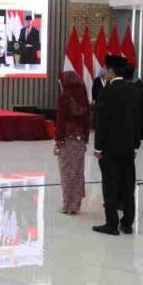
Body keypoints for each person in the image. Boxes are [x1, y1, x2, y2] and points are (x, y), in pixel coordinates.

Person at [92, 54, 143, 236]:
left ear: (111, 71)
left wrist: (98, 147)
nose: (103, 73)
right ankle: (127, 223)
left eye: (105, 69)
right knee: (128, 185)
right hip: (129, 147)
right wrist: (136, 144)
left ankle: (111, 223)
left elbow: (101, 122)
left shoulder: (106, 92)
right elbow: (139, 120)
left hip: (110, 148)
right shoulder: (134, 91)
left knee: (110, 185)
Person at [54, 70, 91, 215]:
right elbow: (87, 120)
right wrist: (86, 138)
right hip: (80, 140)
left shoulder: (64, 97)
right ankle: (76, 204)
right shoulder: (83, 97)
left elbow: (60, 121)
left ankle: (68, 205)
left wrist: (58, 141)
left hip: (67, 140)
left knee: (66, 173)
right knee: (77, 172)